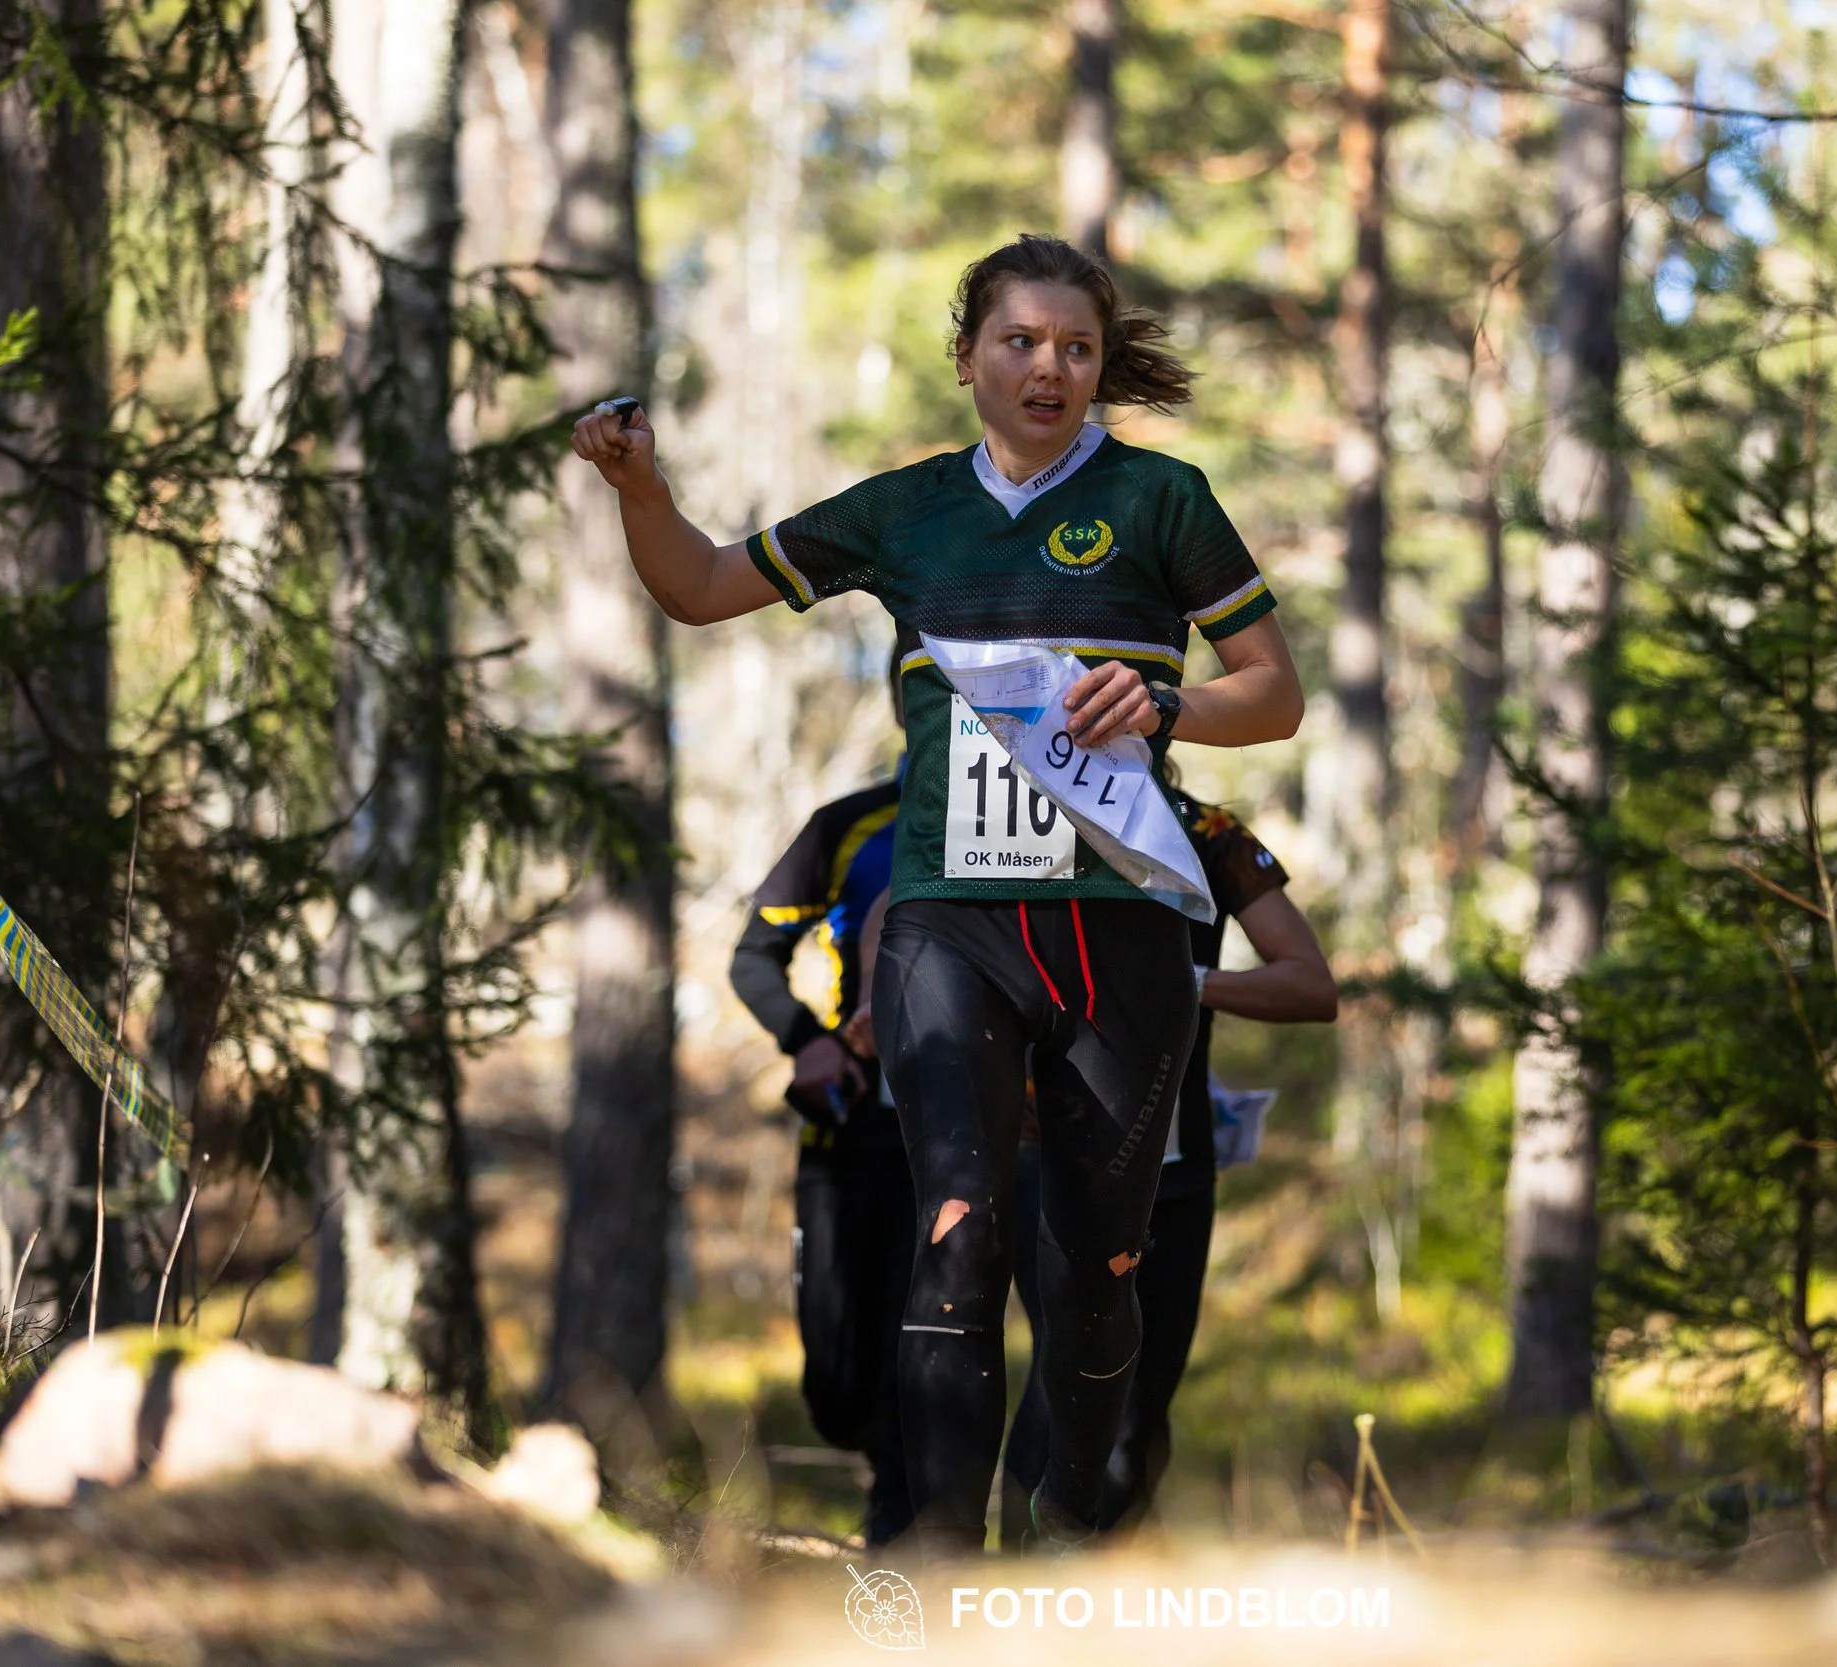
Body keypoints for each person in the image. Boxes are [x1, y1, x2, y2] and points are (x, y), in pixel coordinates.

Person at [571, 234, 1303, 1559]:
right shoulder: (904, 512)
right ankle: (933, 1566)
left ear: (1100, 366)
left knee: (1096, 1269)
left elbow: (1278, 690)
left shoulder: (1164, 500)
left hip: (1122, 924)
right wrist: (640, 485)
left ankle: (1075, 1514)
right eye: (1020, 342)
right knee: (956, 1224)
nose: (1049, 368)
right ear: (968, 355)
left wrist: (1172, 696)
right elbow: (695, 585)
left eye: (1076, 348)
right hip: (949, 921)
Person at [1000, 785, 1334, 1540]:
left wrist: (1184, 985)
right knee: (1068, 1368)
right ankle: (1018, 1584)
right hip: (1047, 1151)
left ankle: (1098, 1594)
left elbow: (1313, 984)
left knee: (1143, 1402)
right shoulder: (1016, 810)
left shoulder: (1205, 830)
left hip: (1174, 1165)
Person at [730, 767, 910, 1547]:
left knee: (931, 1342)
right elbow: (752, 957)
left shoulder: (1026, 810)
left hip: (960, 1126)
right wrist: (809, 1044)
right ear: (905, 697)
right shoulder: (849, 823)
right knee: (836, 1383)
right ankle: (882, 1481)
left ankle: (906, 1538)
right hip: (851, 1122)